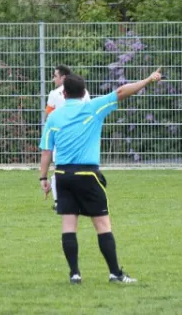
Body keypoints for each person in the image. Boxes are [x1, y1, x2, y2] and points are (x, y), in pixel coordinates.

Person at [39, 68, 162, 284]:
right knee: (103, 226)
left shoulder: (54, 117)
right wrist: (148, 80)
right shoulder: (94, 107)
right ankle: (115, 273)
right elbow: (122, 91)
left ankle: (75, 273)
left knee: (69, 225)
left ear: (64, 94)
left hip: (62, 175)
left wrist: (43, 178)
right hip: (87, 174)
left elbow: (47, 151)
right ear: (84, 91)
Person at [45, 65, 91, 211]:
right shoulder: (84, 93)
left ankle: (59, 201)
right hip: (80, 136)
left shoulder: (54, 94)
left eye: (55, 76)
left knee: (61, 167)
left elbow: (49, 116)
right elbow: (88, 112)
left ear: (63, 77)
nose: (53, 79)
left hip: (61, 137)